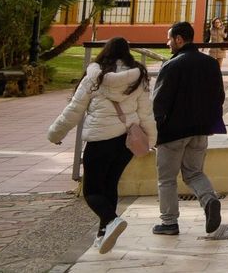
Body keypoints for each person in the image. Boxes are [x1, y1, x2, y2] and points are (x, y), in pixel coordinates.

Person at [47, 37, 157, 256]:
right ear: (127, 53)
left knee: (91, 191)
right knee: (109, 186)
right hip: (126, 141)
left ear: (106, 52)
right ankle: (103, 233)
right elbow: (146, 112)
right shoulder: (138, 77)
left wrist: (55, 134)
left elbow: (74, 110)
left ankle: (111, 220)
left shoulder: (94, 77)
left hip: (99, 140)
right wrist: (151, 140)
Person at [152, 21, 225, 236]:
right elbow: (219, 96)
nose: (167, 43)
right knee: (194, 173)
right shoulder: (210, 63)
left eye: (169, 39)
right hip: (200, 129)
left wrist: (155, 130)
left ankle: (169, 222)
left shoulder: (171, 65)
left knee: (166, 179)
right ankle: (209, 199)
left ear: (179, 39)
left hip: (172, 132)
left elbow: (159, 102)